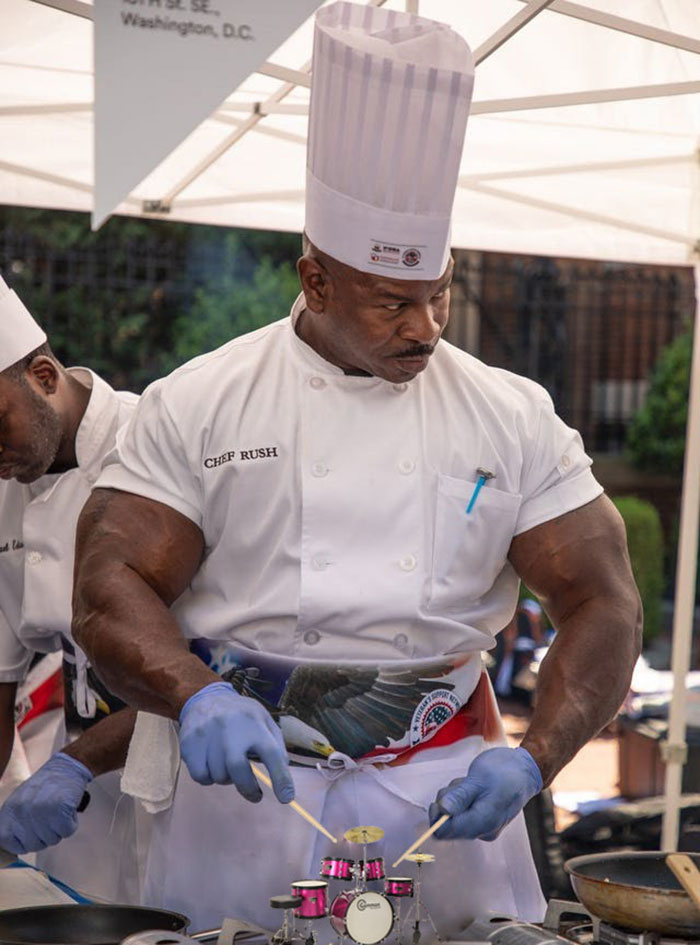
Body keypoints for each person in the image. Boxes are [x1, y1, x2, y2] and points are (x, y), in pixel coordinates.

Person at [72, 2, 641, 935]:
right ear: (316, 281)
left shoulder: (509, 413)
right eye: (391, 303)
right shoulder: (202, 399)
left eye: (440, 293)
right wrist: (194, 692)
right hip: (248, 799)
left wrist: (536, 758)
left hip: (446, 804)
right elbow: (107, 584)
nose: (426, 328)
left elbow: (605, 600)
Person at [0, 274, 145, 902]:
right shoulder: (6, 486)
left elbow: (208, 662)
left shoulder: (152, 441)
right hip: (79, 795)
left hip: (190, 782)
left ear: (43, 376)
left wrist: (74, 764)